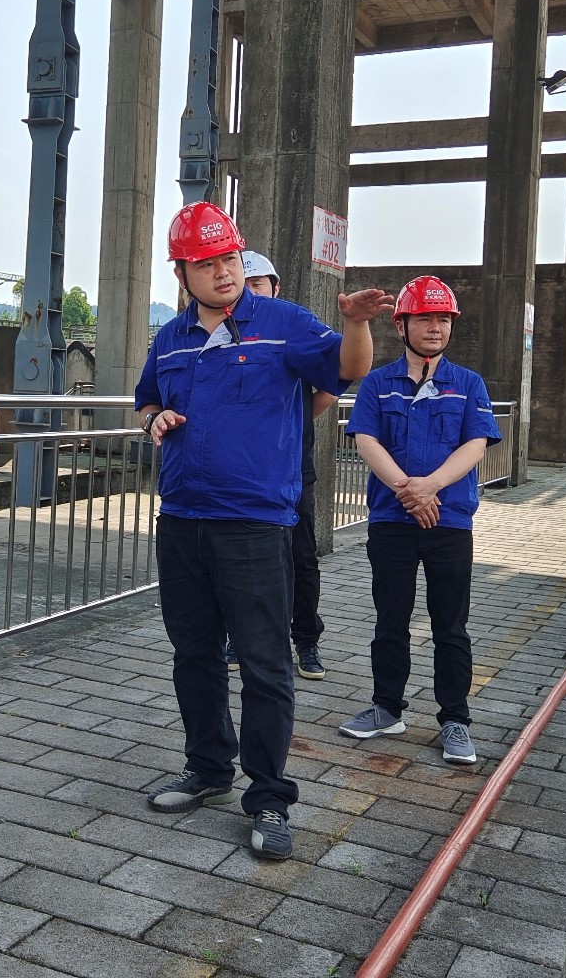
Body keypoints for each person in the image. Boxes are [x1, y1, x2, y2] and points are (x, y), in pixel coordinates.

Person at [135, 202, 393, 861]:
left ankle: (270, 795)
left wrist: (356, 323)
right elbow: (148, 398)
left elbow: (348, 370)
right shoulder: (171, 337)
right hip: (183, 520)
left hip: (255, 525)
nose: (223, 272)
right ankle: (207, 767)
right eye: (206, 263)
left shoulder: (282, 323)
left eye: (229, 258)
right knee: (194, 654)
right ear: (181, 273)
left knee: (264, 663)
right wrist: (154, 418)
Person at [337, 275, 499, 766]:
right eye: (425, 318)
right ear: (401, 325)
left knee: (451, 625)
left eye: (443, 319)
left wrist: (430, 487)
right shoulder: (378, 383)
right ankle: (387, 708)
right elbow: (366, 440)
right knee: (391, 620)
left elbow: (476, 444)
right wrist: (409, 490)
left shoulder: (467, 384)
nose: (435, 327)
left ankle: (455, 719)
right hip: (392, 520)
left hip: (450, 521)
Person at [222, 250, 342, 681]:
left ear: (275, 288)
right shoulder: (219, 332)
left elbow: (333, 381)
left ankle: (306, 639)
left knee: (301, 558)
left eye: (259, 284)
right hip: (239, 475)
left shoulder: (291, 328)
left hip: (291, 471)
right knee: (241, 561)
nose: (251, 291)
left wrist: (292, 418)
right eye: (247, 284)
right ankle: (239, 637)